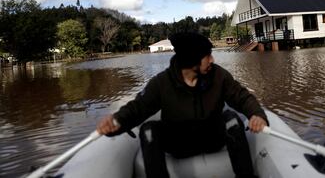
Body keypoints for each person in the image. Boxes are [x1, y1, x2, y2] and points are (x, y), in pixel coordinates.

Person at [97, 32, 268, 178]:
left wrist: (257, 115)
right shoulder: (161, 83)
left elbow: (242, 97)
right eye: (207, 55)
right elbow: (138, 108)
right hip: (178, 143)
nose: (212, 59)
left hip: (211, 137)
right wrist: (116, 122)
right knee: (148, 129)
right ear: (192, 60)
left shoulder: (219, 76)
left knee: (232, 119)